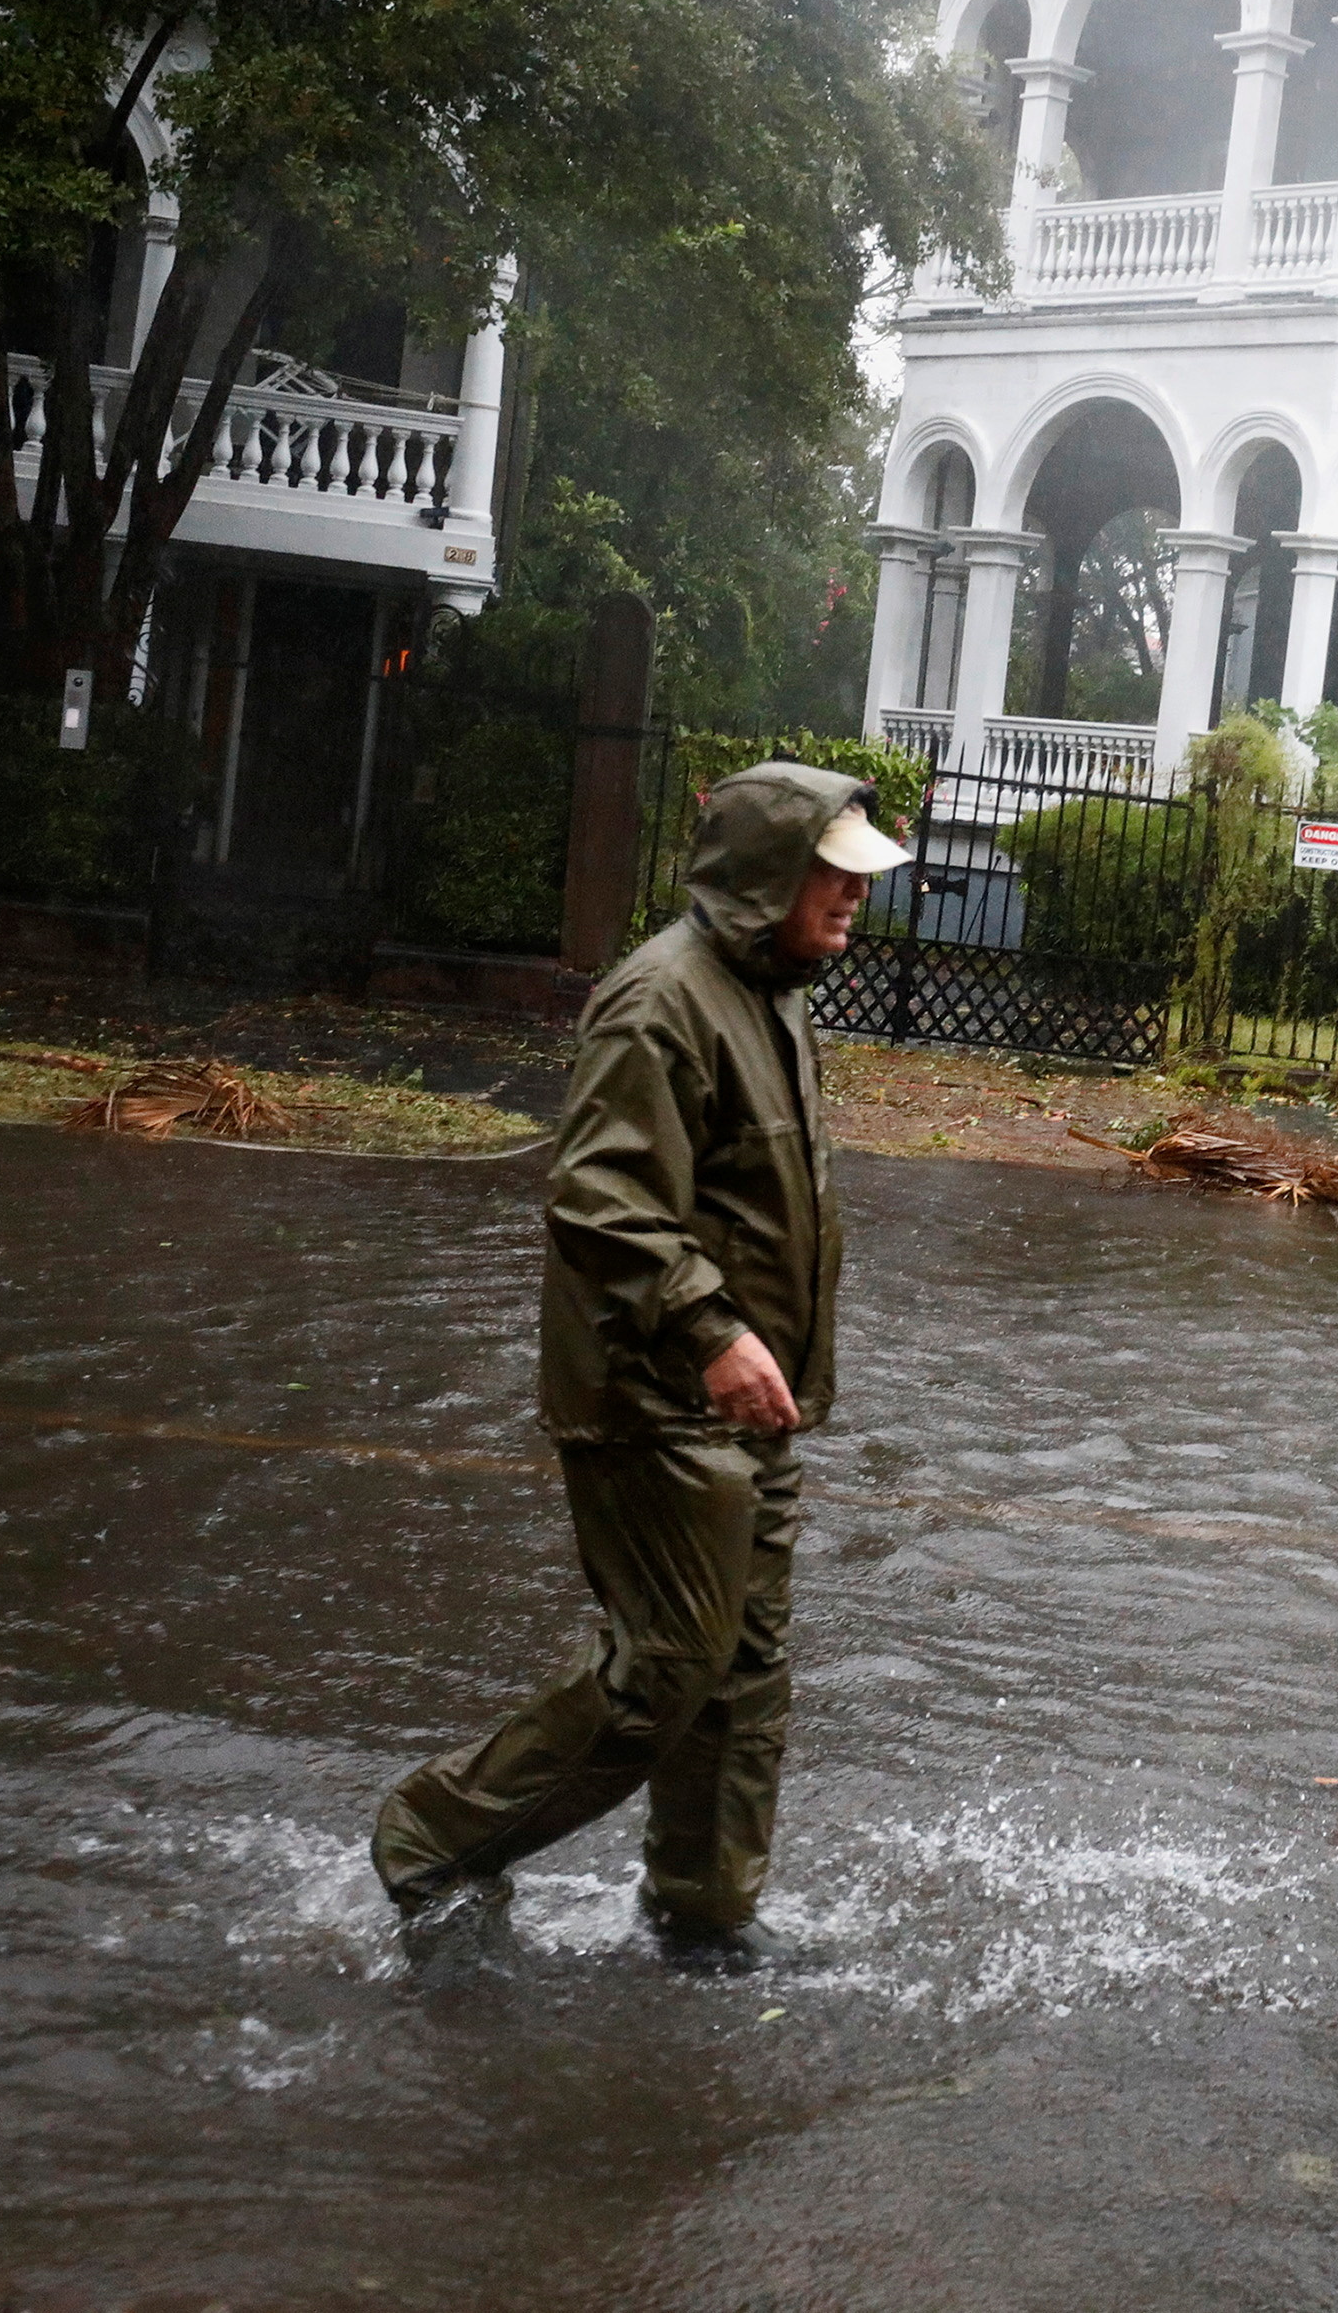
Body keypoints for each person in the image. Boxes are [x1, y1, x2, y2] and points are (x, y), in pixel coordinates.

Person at [370, 759, 909, 1965]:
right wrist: (711, 1333)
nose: (852, 900)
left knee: (742, 1674)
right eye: (833, 875)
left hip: (749, 1409)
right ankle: (434, 1837)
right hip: (656, 1400)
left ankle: (703, 1912)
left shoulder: (771, 992)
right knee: (665, 1669)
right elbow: (601, 1197)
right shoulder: (659, 1000)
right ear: (769, 876)